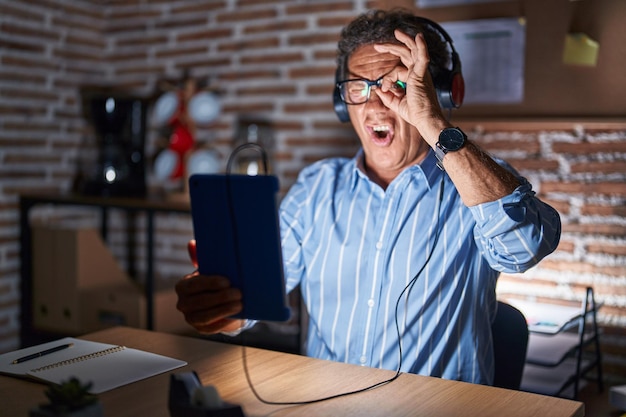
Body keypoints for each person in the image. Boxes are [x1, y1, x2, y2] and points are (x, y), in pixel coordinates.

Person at [175, 9, 561, 385]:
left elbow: (523, 248)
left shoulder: (475, 183)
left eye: (397, 85)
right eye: (358, 88)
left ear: (436, 93)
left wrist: (434, 124)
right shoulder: (317, 188)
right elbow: (252, 296)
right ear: (343, 104)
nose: (375, 105)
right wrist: (219, 308)